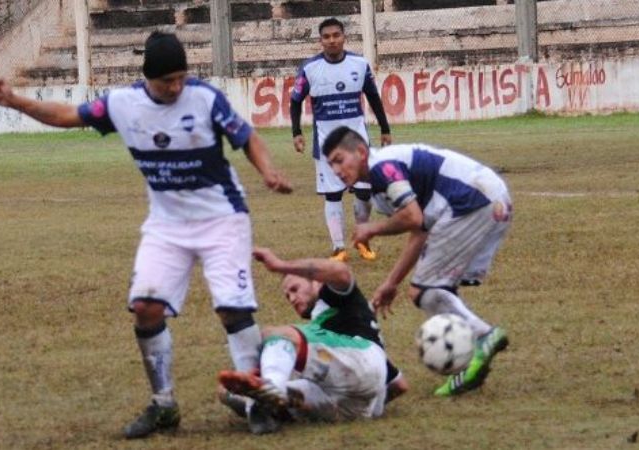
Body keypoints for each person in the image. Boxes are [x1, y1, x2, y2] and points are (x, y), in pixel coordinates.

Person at [0, 31, 292, 438]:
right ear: (149, 77)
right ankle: (163, 405)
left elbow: (247, 137)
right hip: (166, 224)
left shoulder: (204, 98)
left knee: (232, 308)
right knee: (146, 308)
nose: (177, 86)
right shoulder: (122, 104)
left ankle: (257, 403)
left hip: (222, 219)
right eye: (168, 80)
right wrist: (16, 101)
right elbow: (66, 116)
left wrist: (267, 170)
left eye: (182, 76)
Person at [322, 126, 511, 397]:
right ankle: (470, 362)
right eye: (331, 165)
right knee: (433, 289)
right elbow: (419, 231)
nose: (337, 170)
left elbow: (412, 218)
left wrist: (372, 228)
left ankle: (482, 336)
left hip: (470, 201)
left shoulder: (382, 168)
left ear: (361, 152)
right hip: (489, 197)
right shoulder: (379, 185)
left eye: (340, 160)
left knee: (425, 290)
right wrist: (391, 283)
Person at [217, 247, 408, 434]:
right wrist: (369, 401)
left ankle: (272, 387)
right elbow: (400, 385)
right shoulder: (344, 327)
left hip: (361, 361)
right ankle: (267, 407)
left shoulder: (336, 298)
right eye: (287, 295)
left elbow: (341, 271)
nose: (292, 298)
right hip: (351, 404)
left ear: (317, 282)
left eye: (295, 288)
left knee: (274, 335)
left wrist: (281, 266)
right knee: (228, 391)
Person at [290, 17, 392, 262]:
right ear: (321, 40)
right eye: (327, 37)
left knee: (364, 193)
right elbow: (295, 101)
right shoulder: (309, 68)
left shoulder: (359, 64)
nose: (332, 40)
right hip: (327, 145)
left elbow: (373, 97)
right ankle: (338, 248)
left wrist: (385, 129)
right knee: (333, 195)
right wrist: (296, 133)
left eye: (336, 35)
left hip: (357, 145)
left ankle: (363, 240)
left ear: (344, 36)